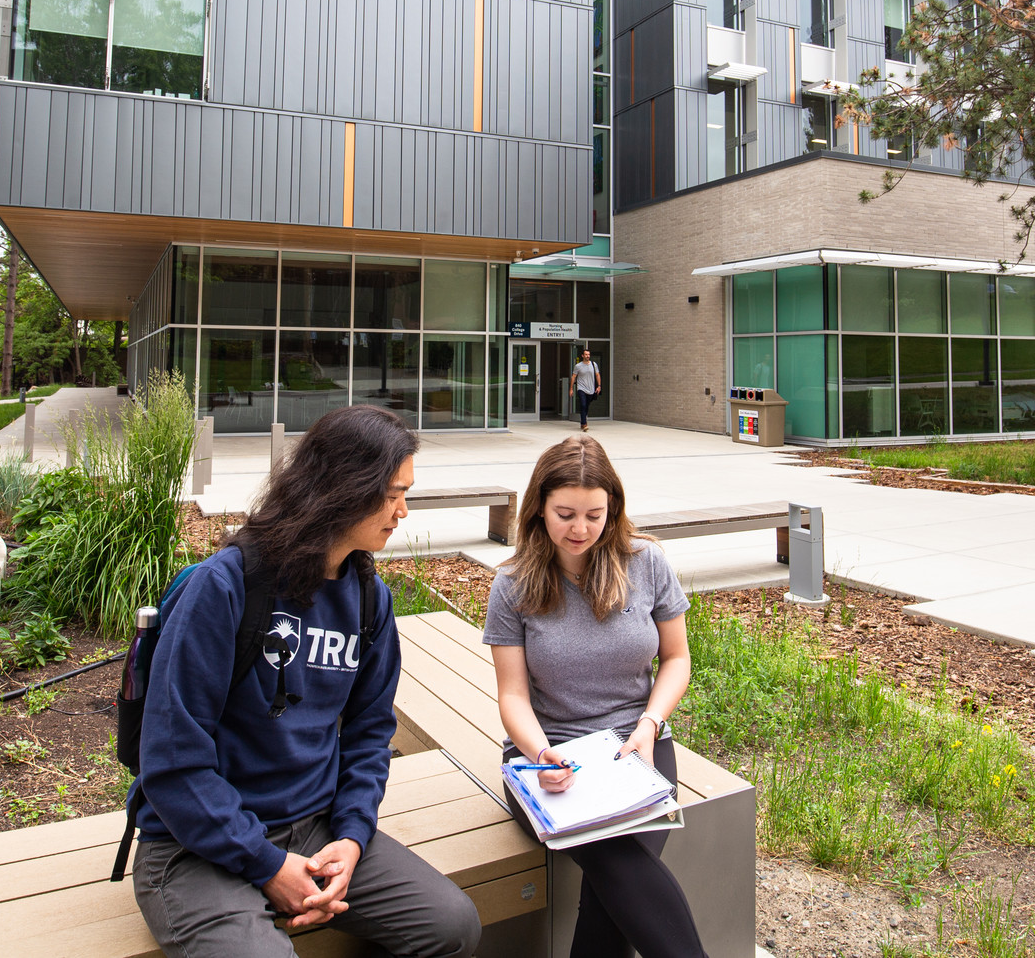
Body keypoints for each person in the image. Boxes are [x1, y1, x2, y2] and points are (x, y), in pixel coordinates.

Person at [131, 405, 481, 958]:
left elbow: (369, 733)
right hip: (194, 844)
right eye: (391, 494)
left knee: (451, 925)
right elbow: (172, 762)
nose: (403, 511)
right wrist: (267, 864)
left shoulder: (370, 599)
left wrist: (352, 836)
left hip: (316, 828)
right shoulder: (225, 587)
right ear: (343, 488)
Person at [483, 436, 709, 958]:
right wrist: (541, 755)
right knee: (619, 867)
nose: (580, 529)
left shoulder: (646, 562)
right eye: (565, 514)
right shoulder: (512, 584)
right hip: (546, 758)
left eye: (594, 515)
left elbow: (677, 658)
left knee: (614, 879)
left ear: (614, 509)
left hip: (637, 745)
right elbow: (513, 696)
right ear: (539, 505)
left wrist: (649, 725)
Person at [569, 347, 601, 431]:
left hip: (591, 389)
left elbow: (597, 375)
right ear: (582, 355)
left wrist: (599, 386)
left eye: (589, 354)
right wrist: (571, 388)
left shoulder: (594, 365)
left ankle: (583, 420)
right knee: (583, 405)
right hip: (581, 388)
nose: (587, 356)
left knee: (586, 406)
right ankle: (584, 423)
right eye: (586, 354)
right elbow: (573, 377)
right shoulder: (578, 366)